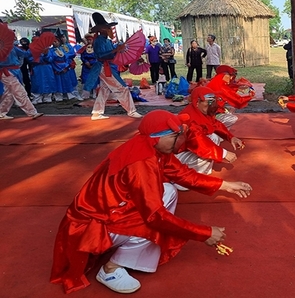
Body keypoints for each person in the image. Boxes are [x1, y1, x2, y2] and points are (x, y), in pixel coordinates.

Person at [50, 110, 252, 294]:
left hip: (111, 209)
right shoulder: (141, 164)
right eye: (175, 136)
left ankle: (125, 251)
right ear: (159, 137)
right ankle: (111, 269)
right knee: (155, 224)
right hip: (93, 224)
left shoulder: (150, 147)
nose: (180, 140)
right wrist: (204, 233)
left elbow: (181, 174)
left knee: (169, 191)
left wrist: (224, 185)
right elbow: (155, 216)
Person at [174, 87, 243, 182]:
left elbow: (215, 124)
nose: (212, 105)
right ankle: (186, 178)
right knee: (207, 152)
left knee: (213, 138)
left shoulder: (200, 112)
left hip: (187, 147)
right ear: (197, 102)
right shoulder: (189, 118)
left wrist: (231, 137)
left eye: (213, 101)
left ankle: (199, 171)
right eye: (208, 102)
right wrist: (223, 153)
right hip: (176, 155)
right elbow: (198, 141)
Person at [84, 12, 142, 120]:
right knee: (122, 88)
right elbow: (101, 55)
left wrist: (122, 51)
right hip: (104, 67)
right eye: (108, 28)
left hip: (108, 67)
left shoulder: (107, 41)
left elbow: (114, 52)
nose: (111, 30)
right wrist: (116, 50)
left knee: (104, 89)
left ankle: (97, 112)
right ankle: (131, 110)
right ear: (102, 30)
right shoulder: (98, 41)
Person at [0, 22, 44, 120]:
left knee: (9, 93)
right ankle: (32, 112)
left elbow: (26, 54)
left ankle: (1, 112)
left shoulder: (12, 47)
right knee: (19, 91)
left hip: (15, 71)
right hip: (6, 72)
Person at [78, 33, 98, 99]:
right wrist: (86, 62)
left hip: (94, 66)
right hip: (86, 67)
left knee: (94, 79)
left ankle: (95, 93)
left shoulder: (96, 48)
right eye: (88, 40)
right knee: (86, 79)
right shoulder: (84, 48)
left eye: (90, 40)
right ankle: (86, 94)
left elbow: (98, 56)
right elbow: (82, 56)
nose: (89, 41)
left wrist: (94, 63)